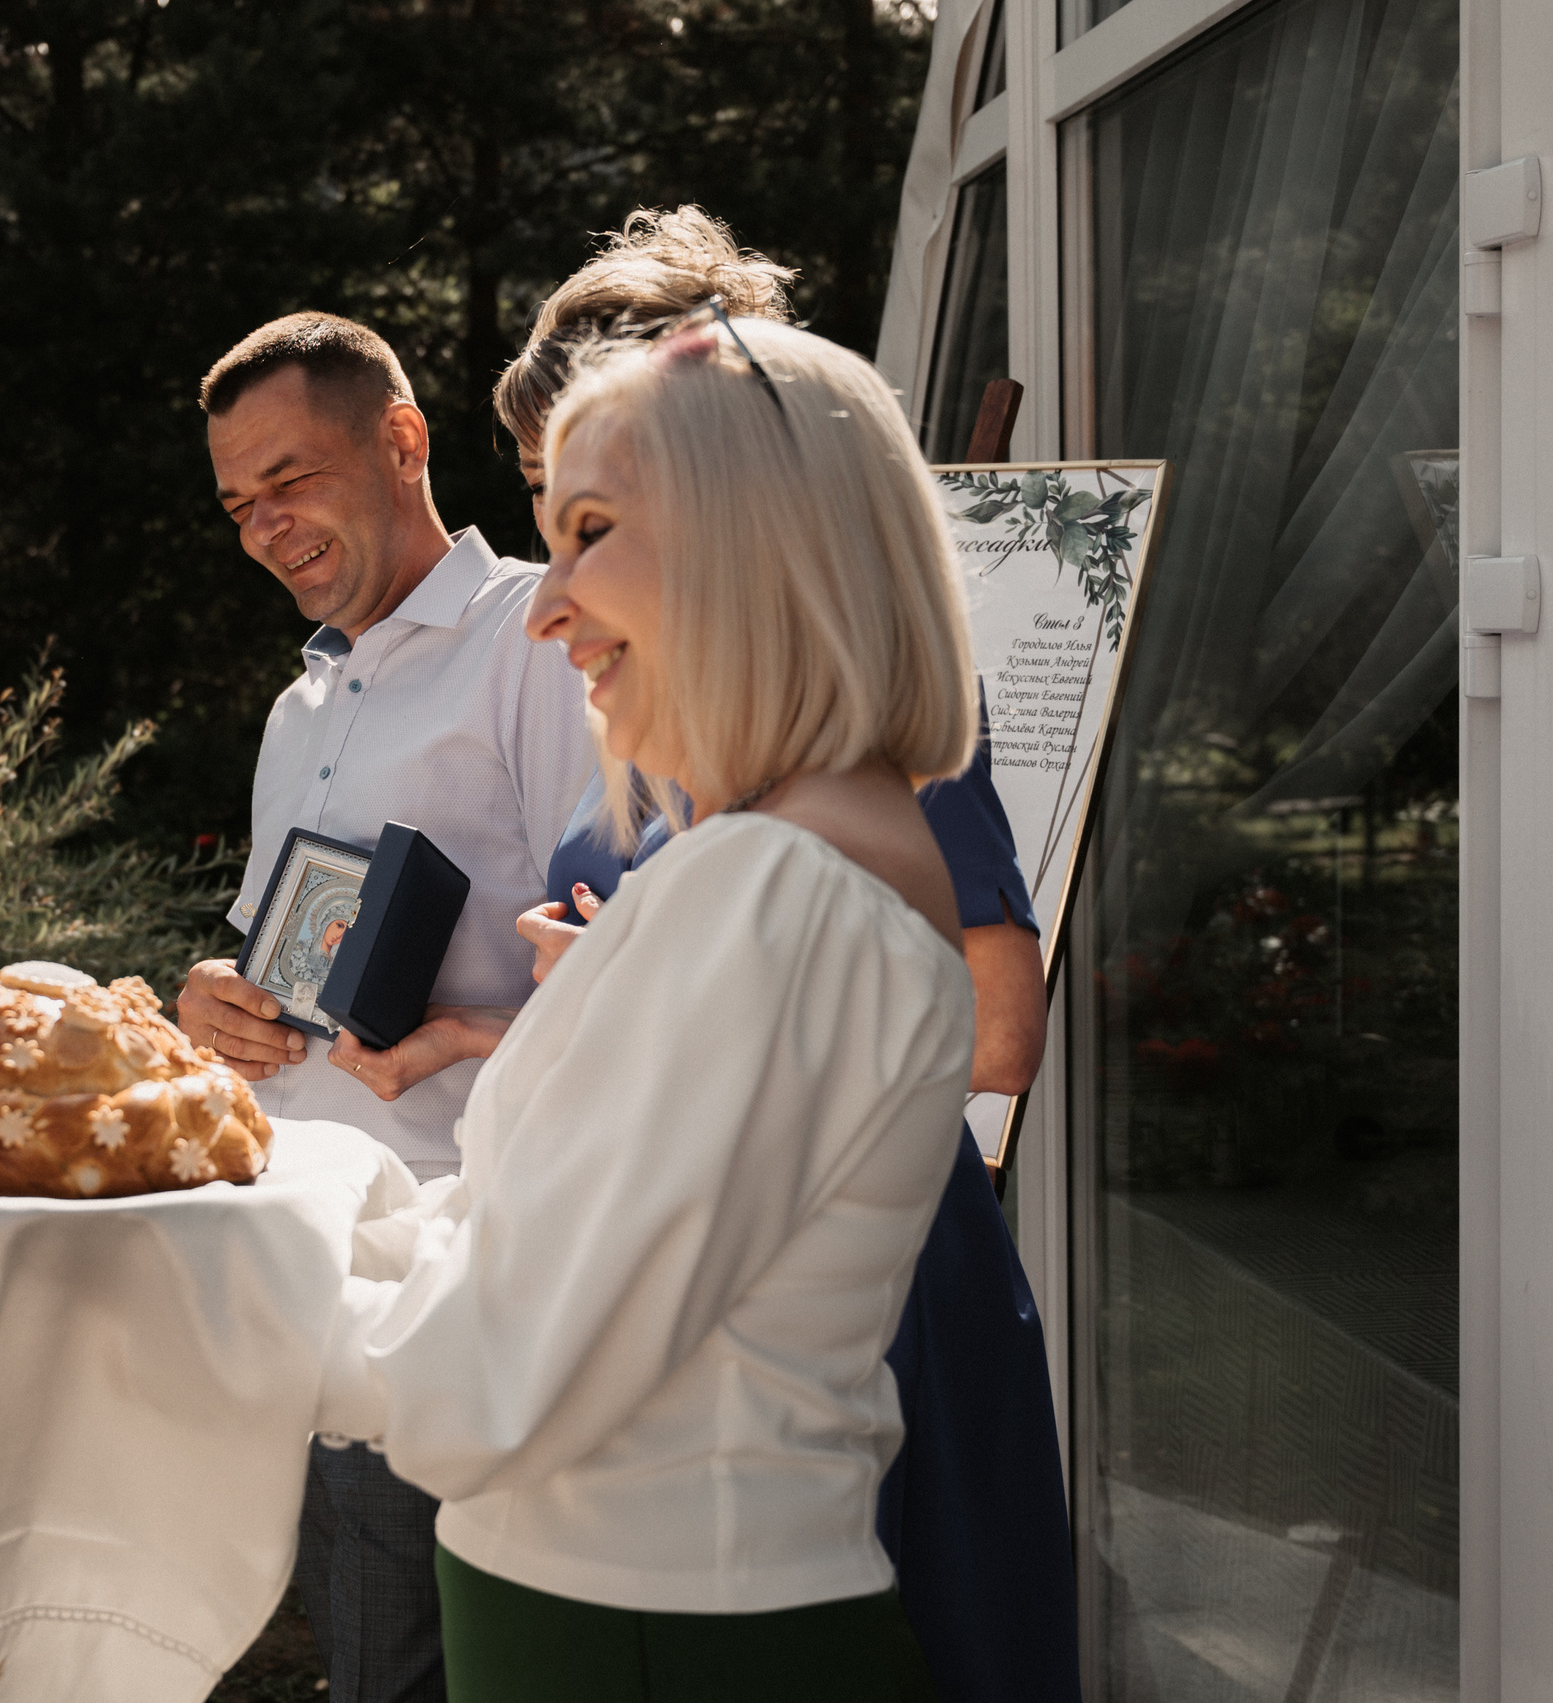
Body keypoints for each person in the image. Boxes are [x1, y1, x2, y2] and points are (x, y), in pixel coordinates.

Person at [318, 313, 974, 1701]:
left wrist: (196, 1283)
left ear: (762, 544)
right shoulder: (787, 866)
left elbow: (506, 1375)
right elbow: (542, 1248)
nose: (548, 610)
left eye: (593, 529)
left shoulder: (770, 890)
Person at [492, 209, 1081, 1703]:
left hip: (871, 1326)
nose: (558, 579)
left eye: (595, 516)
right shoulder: (645, 713)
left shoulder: (857, 710)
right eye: (544, 505)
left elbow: (998, 1028)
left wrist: (660, 994)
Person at [175, 311, 595, 1703]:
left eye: (290, 479)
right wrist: (209, 995)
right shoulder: (302, 704)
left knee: (414, 1664)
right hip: (304, 1254)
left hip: (457, 1268)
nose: (264, 526)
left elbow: (629, 953)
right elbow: (264, 947)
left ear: (402, 440)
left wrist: (475, 1031)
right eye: (239, 502)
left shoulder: (540, 637)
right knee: (356, 1648)